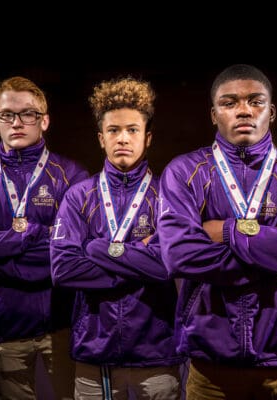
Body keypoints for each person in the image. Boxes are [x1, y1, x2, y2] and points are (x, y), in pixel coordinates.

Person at [157, 64, 277, 400]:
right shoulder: (183, 173)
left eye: (256, 101)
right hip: (211, 365)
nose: (244, 110)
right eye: (229, 103)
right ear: (213, 114)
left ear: (272, 111)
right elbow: (179, 256)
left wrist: (225, 230)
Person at [0, 76, 88, 399]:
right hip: (3, 328)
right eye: (6, 114)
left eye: (27, 113)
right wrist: (40, 235)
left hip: (63, 325)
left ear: (45, 120)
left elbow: (74, 250)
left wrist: (6, 250)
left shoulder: (74, 177)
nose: (17, 122)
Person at [50, 77, 183, 399]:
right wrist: (137, 261)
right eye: (113, 130)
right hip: (95, 357)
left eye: (132, 129)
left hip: (157, 355)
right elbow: (64, 269)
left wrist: (95, 248)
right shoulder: (78, 196)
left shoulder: (170, 194)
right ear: (100, 138)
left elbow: (170, 265)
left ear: (147, 137)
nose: (122, 138)